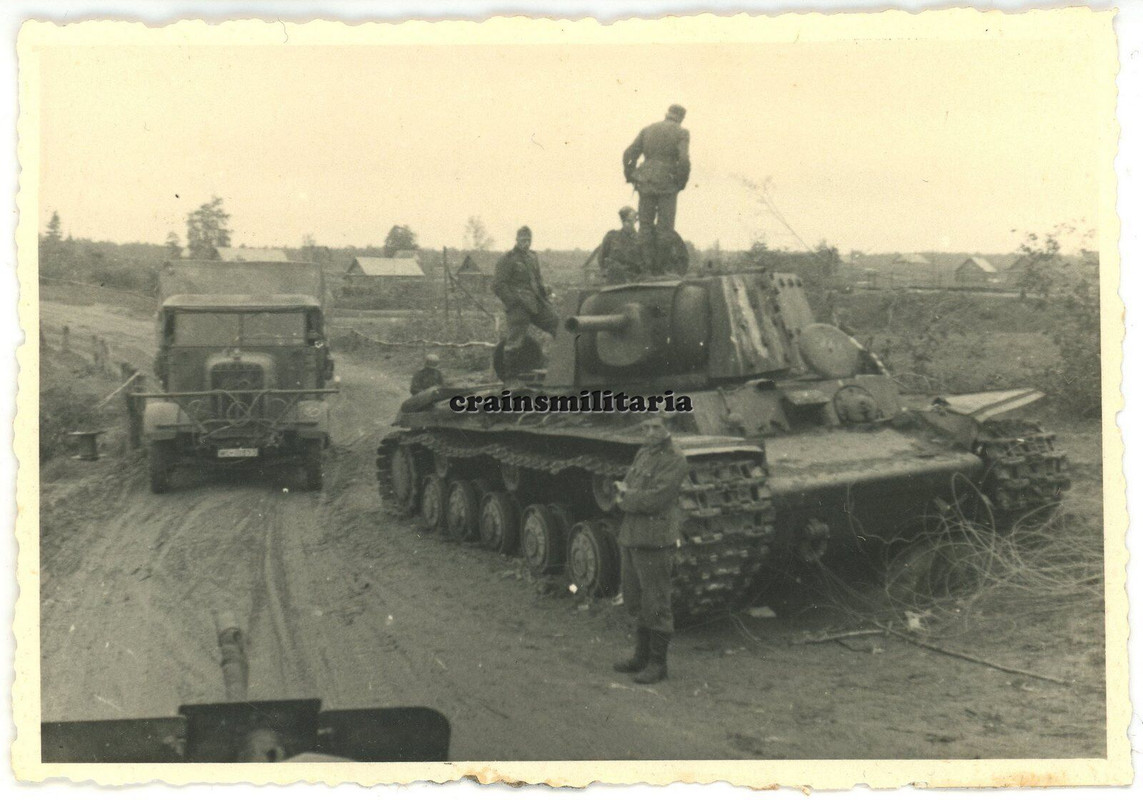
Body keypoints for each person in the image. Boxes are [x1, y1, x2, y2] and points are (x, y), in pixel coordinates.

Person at [612, 413, 689, 684]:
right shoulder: (644, 452)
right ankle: (640, 656)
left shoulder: (674, 458)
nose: (650, 431)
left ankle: (658, 664)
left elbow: (656, 500)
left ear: (669, 428)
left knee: (656, 601)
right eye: (646, 426)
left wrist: (625, 497)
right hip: (632, 535)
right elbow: (631, 487)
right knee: (635, 598)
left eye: (657, 426)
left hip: (655, 540)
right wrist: (627, 495)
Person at [622, 104, 691, 275]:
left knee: (644, 225)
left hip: (645, 182)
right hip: (667, 182)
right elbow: (683, 160)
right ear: (681, 118)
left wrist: (631, 175)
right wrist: (680, 182)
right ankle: (661, 270)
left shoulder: (647, 130)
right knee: (665, 227)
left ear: (667, 114)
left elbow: (628, 154)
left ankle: (646, 268)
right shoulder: (682, 132)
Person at [492, 226, 558, 376]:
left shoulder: (532, 257)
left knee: (558, 325)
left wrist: (545, 290)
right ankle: (509, 377)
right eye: (523, 240)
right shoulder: (508, 259)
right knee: (515, 341)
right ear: (516, 240)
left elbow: (536, 280)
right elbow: (498, 285)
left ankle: (561, 366)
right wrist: (513, 303)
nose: (526, 243)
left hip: (536, 303)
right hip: (519, 306)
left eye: (528, 240)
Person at [598, 206, 643, 283]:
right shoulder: (612, 237)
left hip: (635, 280)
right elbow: (601, 257)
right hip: (615, 280)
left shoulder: (640, 239)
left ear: (635, 221)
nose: (627, 224)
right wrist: (605, 273)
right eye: (624, 221)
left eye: (630, 221)